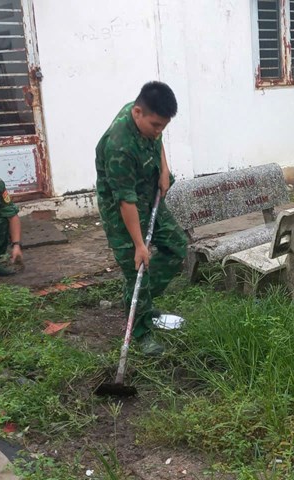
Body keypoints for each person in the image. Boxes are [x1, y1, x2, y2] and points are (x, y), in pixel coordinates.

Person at [95, 81, 187, 356]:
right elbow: (125, 201)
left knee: (176, 246)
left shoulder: (149, 118)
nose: (159, 131)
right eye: (156, 125)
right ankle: (141, 332)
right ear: (137, 113)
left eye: (164, 126)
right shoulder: (118, 146)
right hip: (122, 211)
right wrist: (139, 245)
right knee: (138, 268)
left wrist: (163, 170)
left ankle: (142, 302)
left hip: (148, 195)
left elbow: (156, 141)